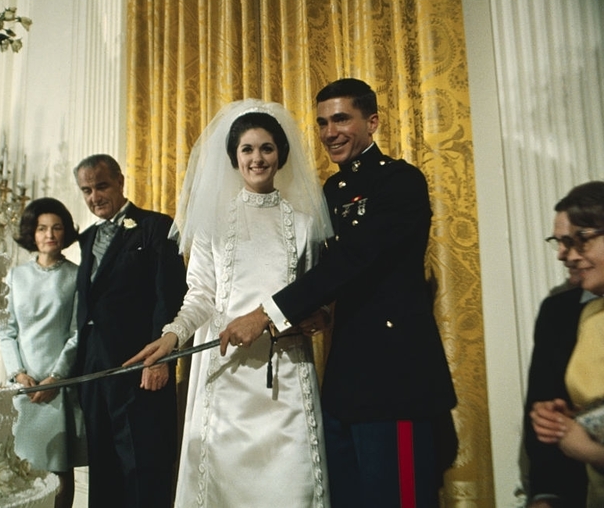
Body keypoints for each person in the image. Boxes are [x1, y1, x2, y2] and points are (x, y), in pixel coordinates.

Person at [220, 78, 458, 507]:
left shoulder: (400, 181)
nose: (330, 132)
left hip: (395, 376)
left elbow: (356, 260)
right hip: (345, 377)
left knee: (398, 499)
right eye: (323, 122)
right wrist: (324, 313)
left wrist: (267, 314)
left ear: (373, 122)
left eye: (342, 119)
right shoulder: (330, 191)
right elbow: (336, 276)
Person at [126, 100, 334, 506]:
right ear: (235, 158)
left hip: (287, 375)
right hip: (227, 373)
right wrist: (172, 338)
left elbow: (315, 296)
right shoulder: (213, 221)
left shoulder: (306, 225)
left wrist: (318, 317)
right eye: (247, 150)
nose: (257, 158)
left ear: (280, 155)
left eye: (266, 149)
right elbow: (201, 294)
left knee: (290, 487)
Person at [73, 154, 187, 508]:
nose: (95, 197)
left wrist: (159, 360)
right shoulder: (87, 237)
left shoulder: (156, 226)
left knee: (143, 465)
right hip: (94, 372)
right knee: (102, 465)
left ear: (121, 181)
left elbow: (168, 299)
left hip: (139, 368)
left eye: (102, 186)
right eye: (86, 190)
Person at [0, 197, 87, 508]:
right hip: (24, 386)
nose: (50, 234)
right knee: (20, 470)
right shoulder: (15, 277)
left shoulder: (77, 276)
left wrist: (57, 377)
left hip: (59, 385)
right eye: (42, 228)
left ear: (65, 233)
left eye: (57, 228)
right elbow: (7, 331)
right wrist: (18, 373)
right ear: (31, 234)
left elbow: (77, 333)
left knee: (59, 470)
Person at [531, 181, 604, 507]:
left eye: (580, 240)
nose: (564, 254)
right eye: (560, 242)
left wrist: (590, 449)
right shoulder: (571, 312)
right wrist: (568, 417)